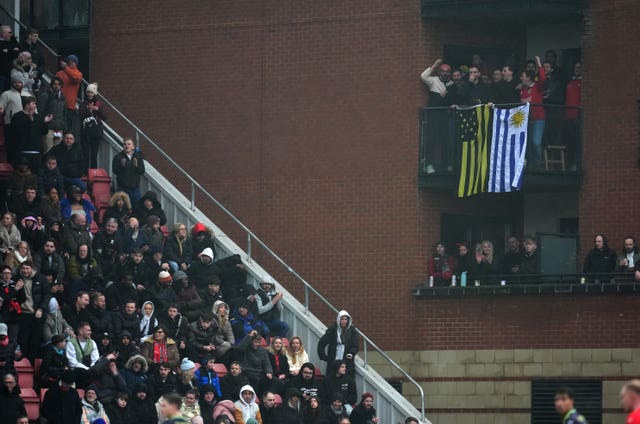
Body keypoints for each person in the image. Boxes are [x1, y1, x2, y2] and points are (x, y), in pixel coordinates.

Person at [420, 58, 453, 174]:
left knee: (445, 140)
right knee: (432, 140)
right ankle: (429, 164)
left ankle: (446, 164)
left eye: (448, 71)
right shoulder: (433, 81)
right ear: (439, 72)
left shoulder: (451, 84)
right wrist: (434, 66)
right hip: (434, 116)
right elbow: (423, 76)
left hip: (445, 117)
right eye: (443, 71)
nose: (445, 73)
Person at [16, 260, 49, 362]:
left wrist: (41, 309)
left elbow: (47, 295)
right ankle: (24, 363)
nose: (25, 271)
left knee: (35, 342)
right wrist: (17, 289)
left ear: (32, 269)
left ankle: (32, 366)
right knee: (23, 341)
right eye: (23, 268)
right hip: (23, 314)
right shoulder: (17, 279)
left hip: (37, 314)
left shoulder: (41, 278)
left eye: (27, 268)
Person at [7, 96, 52, 168]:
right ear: (27, 105)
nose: (35, 106)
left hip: (36, 152)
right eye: (33, 103)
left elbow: (44, 132)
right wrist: (30, 119)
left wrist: (45, 122)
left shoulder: (38, 117)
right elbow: (16, 131)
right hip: (22, 152)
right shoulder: (18, 116)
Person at [520, 56, 546, 168]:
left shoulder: (537, 86)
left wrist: (539, 64)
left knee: (536, 143)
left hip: (538, 119)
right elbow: (521, 102)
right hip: (527, 120)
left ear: (528, 78)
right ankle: (531, 166)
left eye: (523, 76)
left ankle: (539, 165)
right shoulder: (522, 90)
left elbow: (543, 78)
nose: (521, 78)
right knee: (528, 144)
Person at [318, 310, 359, 375]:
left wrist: (351, 353)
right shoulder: (333, 329)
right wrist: (324, 356)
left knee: (346, 377)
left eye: (346, 319)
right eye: (342, 319)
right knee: (332, 377)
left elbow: (355, 345)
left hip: (346, 360)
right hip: (334, 358)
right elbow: (322, 342)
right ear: (338, 320)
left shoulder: (351, 331)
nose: (344, 321)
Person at [79, 82, 106, 170]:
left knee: (94, 155)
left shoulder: (99, 104)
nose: (90, 94)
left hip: (96, 132)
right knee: (85, 154)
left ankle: (93, 173)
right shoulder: (83, 103)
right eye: (88, 92)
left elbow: (105, 117)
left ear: (94, 93)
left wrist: (97, 110)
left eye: (91, 92)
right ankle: (85, 172)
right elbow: (80, 115)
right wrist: (88, 109)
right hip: (85, 133)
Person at [38, 76, 67, 152]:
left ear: (61, 86)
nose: (56, 86)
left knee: (58, 152)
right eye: (54, 84)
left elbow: (64, 113)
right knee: (48, 151)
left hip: (59, 129)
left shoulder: (63, 98)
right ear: (51, 85)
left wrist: (63, 125)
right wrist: (44, 121)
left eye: (58, 84)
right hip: (48, 129)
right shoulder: (45, 95)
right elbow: (40, 111)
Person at [112, 138, 145, 203]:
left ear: (133, 146)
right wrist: (122, 166)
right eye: (125, 144)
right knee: (124, 209)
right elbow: (114, 171)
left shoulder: (138, 157)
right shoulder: (118, 157)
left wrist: (136, 166)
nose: (127, 146)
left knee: (136, 209)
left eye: (129, 144)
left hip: (135, 189)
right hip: (122, 189)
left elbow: (142, 171)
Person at [55, 55, 83, 132]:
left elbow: (76, 78)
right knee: (58, 126)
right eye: (69, 61)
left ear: (75, 63)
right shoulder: (59, 73)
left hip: (69, 106)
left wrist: (66, 68)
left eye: (72, 61)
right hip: (58, 103)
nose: (70, 63)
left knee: (67, 128)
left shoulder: (78, 74)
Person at [66, 322, 99, 388]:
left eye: (90, 330)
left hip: (90, 371)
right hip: (77, 371)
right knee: (80, 372)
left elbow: (95, 359)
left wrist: (91, 369)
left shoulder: (92, 342)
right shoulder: (71, 343)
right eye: (88, 330)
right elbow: (72, 362)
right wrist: (87, 369)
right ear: (80, 331)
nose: (90, 332)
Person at [564, 61, 582, 170]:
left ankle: (576, 163)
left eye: (579, 67)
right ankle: (569, 163)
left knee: (577, 141)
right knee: (569, 141)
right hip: (568, 116)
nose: (577, 69)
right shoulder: (570, 81)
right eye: (576, 67)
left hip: (577, 117)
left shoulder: (583, 82)